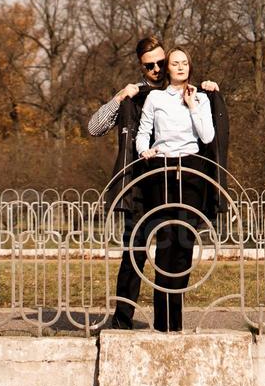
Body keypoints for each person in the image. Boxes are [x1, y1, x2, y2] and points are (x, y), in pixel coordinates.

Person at [88, 36, 222, 331]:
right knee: (134, 251)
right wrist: (119, 97)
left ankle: (169, 321)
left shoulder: (186, 92)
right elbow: (94, 127)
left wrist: (210, 92)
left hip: (173, 181)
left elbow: (206, 132)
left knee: (176, 248)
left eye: (163, 63)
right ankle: (122, 322)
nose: (158, 69)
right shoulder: (137, 95)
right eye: (151, 65)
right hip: (140, 183)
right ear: (141, 66)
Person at [133, 47, 220, 332]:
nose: (180, 67)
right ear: (167, 69)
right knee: (166, 243)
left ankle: (176, 320)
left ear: (189, 67)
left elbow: (207, 135)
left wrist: (193, 104)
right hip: (163, 171)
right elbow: (143, 131)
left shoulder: (201, 98)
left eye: (185, 63)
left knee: (184, 244)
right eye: (175, 63)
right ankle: (162, 322)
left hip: (192, 172)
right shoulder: (156, 98)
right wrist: (145, 151)